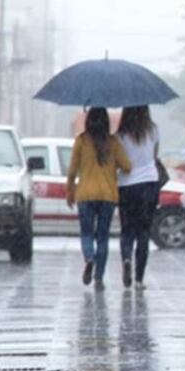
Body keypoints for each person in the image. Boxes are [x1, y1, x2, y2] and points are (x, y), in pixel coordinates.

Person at [66, 107, 131, 289]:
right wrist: (113, 168)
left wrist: (69, 191)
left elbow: (72, 170)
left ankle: (89, 258)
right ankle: (99, 277)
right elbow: (127, 166)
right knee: (102, 237)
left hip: (85, 195)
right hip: (107, 195)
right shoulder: (113, 142)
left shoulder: (81, 141)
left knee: (86, 233)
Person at [116, 106, 161, 289]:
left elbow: (118, 161)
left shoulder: (120, 135)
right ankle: (139, 279)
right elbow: (155, 155)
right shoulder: (153, 129)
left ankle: (126, 258)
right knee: (144, 231)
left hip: (126, 185)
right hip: (149, 183)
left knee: (127, 229)